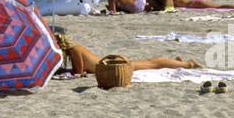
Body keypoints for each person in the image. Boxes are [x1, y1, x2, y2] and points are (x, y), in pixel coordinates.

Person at [53, 33, 198, 76]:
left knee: (153, 65)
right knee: (149, 62)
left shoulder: (75, 50)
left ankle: (187, 64)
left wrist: (64, 72)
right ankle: (176, 61)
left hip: (113, 66)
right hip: (110, 62)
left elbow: (79, 71)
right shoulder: (75, 49)